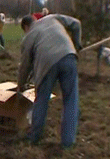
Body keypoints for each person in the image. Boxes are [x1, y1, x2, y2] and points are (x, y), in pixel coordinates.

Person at [18, 14, 82, 149]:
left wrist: (20, 85)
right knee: (70, 100)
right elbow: (76, 23)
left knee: (41, 99)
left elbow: (24, 66)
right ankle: (68, 142)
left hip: (46, 65)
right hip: (69, 56)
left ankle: (35, 136)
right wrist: (76, 45)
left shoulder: (29, 36)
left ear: (26, 27)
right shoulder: (52, 18)